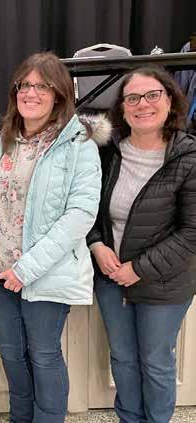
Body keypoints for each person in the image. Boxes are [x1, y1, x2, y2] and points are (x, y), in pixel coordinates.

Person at [0, 52, 106, 423]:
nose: (31, 93)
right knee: (10, 352)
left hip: (45, 272)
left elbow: (80, 215)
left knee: (43, 354)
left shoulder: (78, 145)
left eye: (42, 86)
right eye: (24, 85)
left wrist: (26, 269)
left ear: (59, 94)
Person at [88, 66, 196, 423]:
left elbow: (192, 233)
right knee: (122, 357)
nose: (142, 104)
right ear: (121, 107)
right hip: (111, 277)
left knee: (155, 360)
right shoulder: (107, 153)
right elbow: (86, 210)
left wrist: (138, 268)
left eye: (152, 95)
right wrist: (96, 245)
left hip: (164, 282)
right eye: (132, 98)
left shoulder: (189, 157)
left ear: (170, 101)